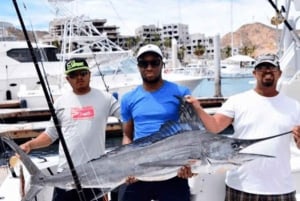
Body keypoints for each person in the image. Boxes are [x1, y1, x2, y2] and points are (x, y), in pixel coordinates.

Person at [186, 53, 300, 201]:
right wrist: (198, 108)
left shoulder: (295, 106)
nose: (267, 71)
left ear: (279, 73)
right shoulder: (237, 101)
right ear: (254, 73)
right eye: (262, 67)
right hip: (241, 186)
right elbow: (214, 127)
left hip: (281, 189)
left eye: (272, 67)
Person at [20, 57, 120, 201]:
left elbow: (128, 118)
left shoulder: (106, 98)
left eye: (83, 73)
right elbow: (50, 135)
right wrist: (30, 145)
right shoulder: (60, 102)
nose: (79, 77)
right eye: (74, 75)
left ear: (89, 74)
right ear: (68, 79)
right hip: (65, 175)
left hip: (95, 174)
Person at [119, 44, 193, 201]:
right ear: (138, 66)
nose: (149, 67)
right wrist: (126, 165)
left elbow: (191, 134)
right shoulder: (128, 98)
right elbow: (127, 135)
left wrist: (190, 165)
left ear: (162, 65)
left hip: (173, 168)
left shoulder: (181, 92)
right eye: (143, 63)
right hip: (139, 168)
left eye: (154, 62)